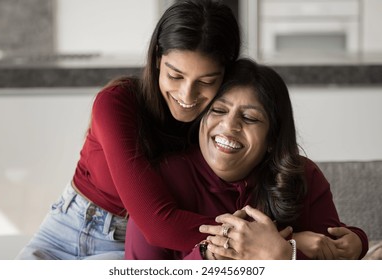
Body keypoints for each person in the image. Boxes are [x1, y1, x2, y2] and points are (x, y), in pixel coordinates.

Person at [15, 0, 241, 260]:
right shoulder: (116, 102)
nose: (186, 95)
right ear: (157, 59)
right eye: (175, 76)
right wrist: (256, 242)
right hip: (63, 230)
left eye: (206, 81)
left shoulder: (223, 123)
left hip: (128, 245)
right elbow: (158, 223)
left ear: (226, 75)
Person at [124, 58, 368, 260]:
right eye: (218, 110)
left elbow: (336, 254)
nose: (229, 126)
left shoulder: (303, 176)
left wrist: (284, 255)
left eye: (250, 118)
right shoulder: (159, 180)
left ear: (272, 138)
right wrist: (211, 256)